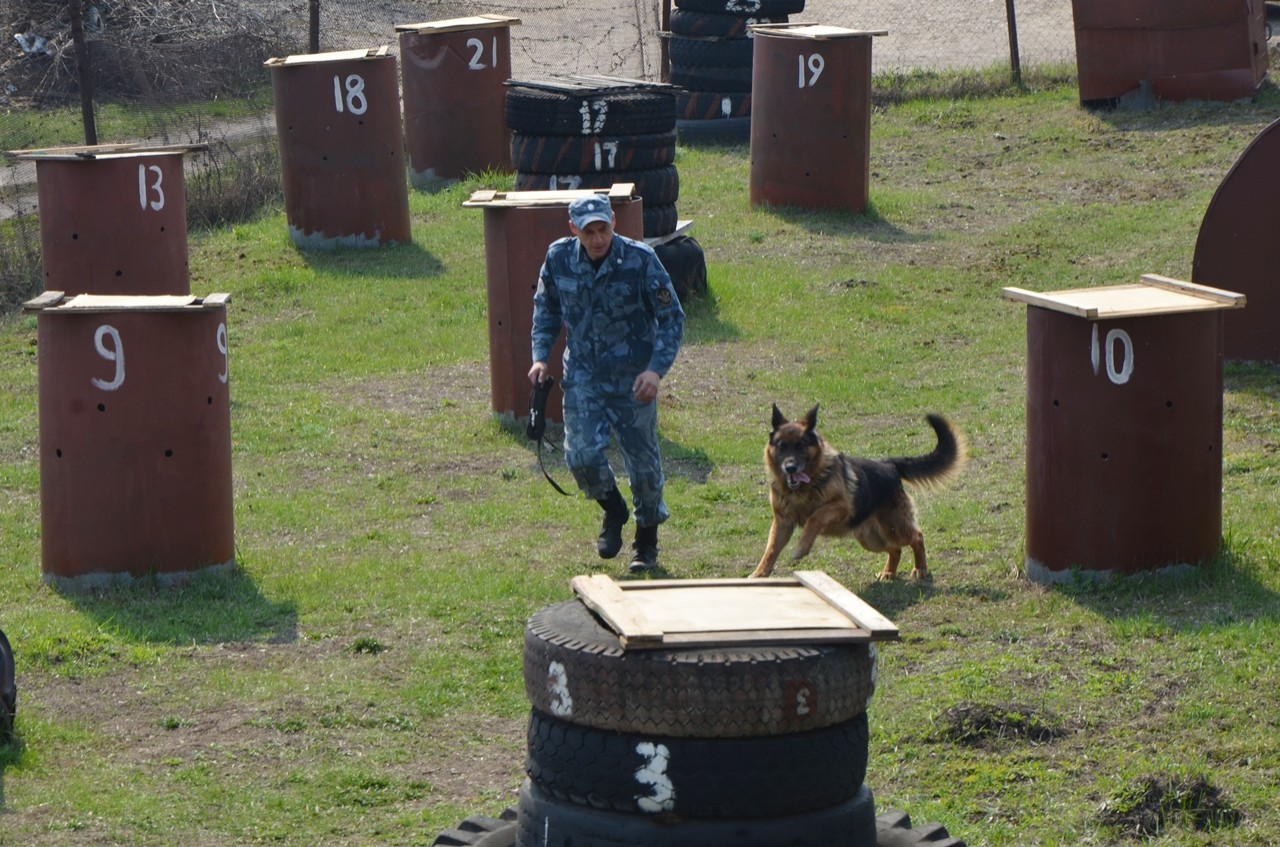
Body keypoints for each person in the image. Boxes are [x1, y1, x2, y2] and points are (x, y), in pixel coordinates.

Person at [528, 194, 685, 572]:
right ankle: (613, 510)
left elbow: (671, 318)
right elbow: (546, 308)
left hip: (634, 380)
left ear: (614, 221)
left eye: (603, 229)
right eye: (589, 232)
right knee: (580, 456)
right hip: (584, 374)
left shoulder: (641, 260)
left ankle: (646, 543)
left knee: (643, 465)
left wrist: (655, 370)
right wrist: (539, 356)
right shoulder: (559, 258)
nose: (598, 239)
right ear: (574, 230)